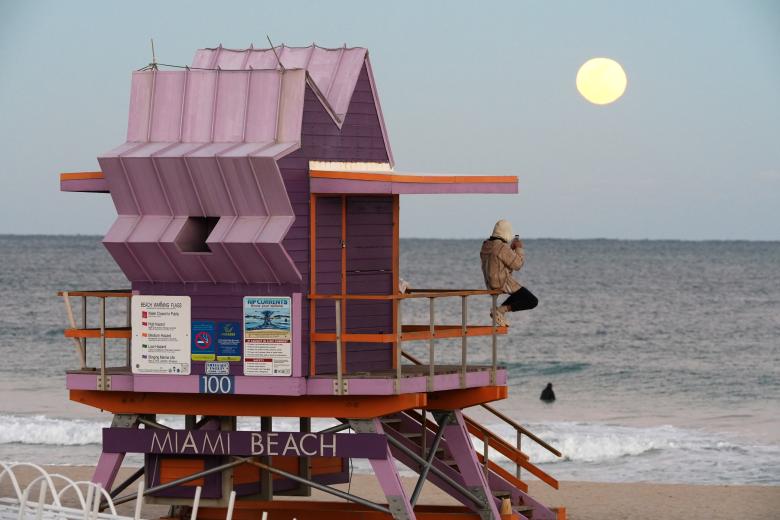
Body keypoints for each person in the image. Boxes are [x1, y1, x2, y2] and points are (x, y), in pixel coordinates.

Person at [480, 219, 538, 326]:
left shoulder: (485, 245)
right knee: (532, 301)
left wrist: (510, 251)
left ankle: (499, 311)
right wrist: (518, 248)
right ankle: (500, 310)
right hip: (502, 283)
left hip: (489, 283)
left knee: (519, 294)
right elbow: (518, 265)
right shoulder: (502, 247)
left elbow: (497, 262)